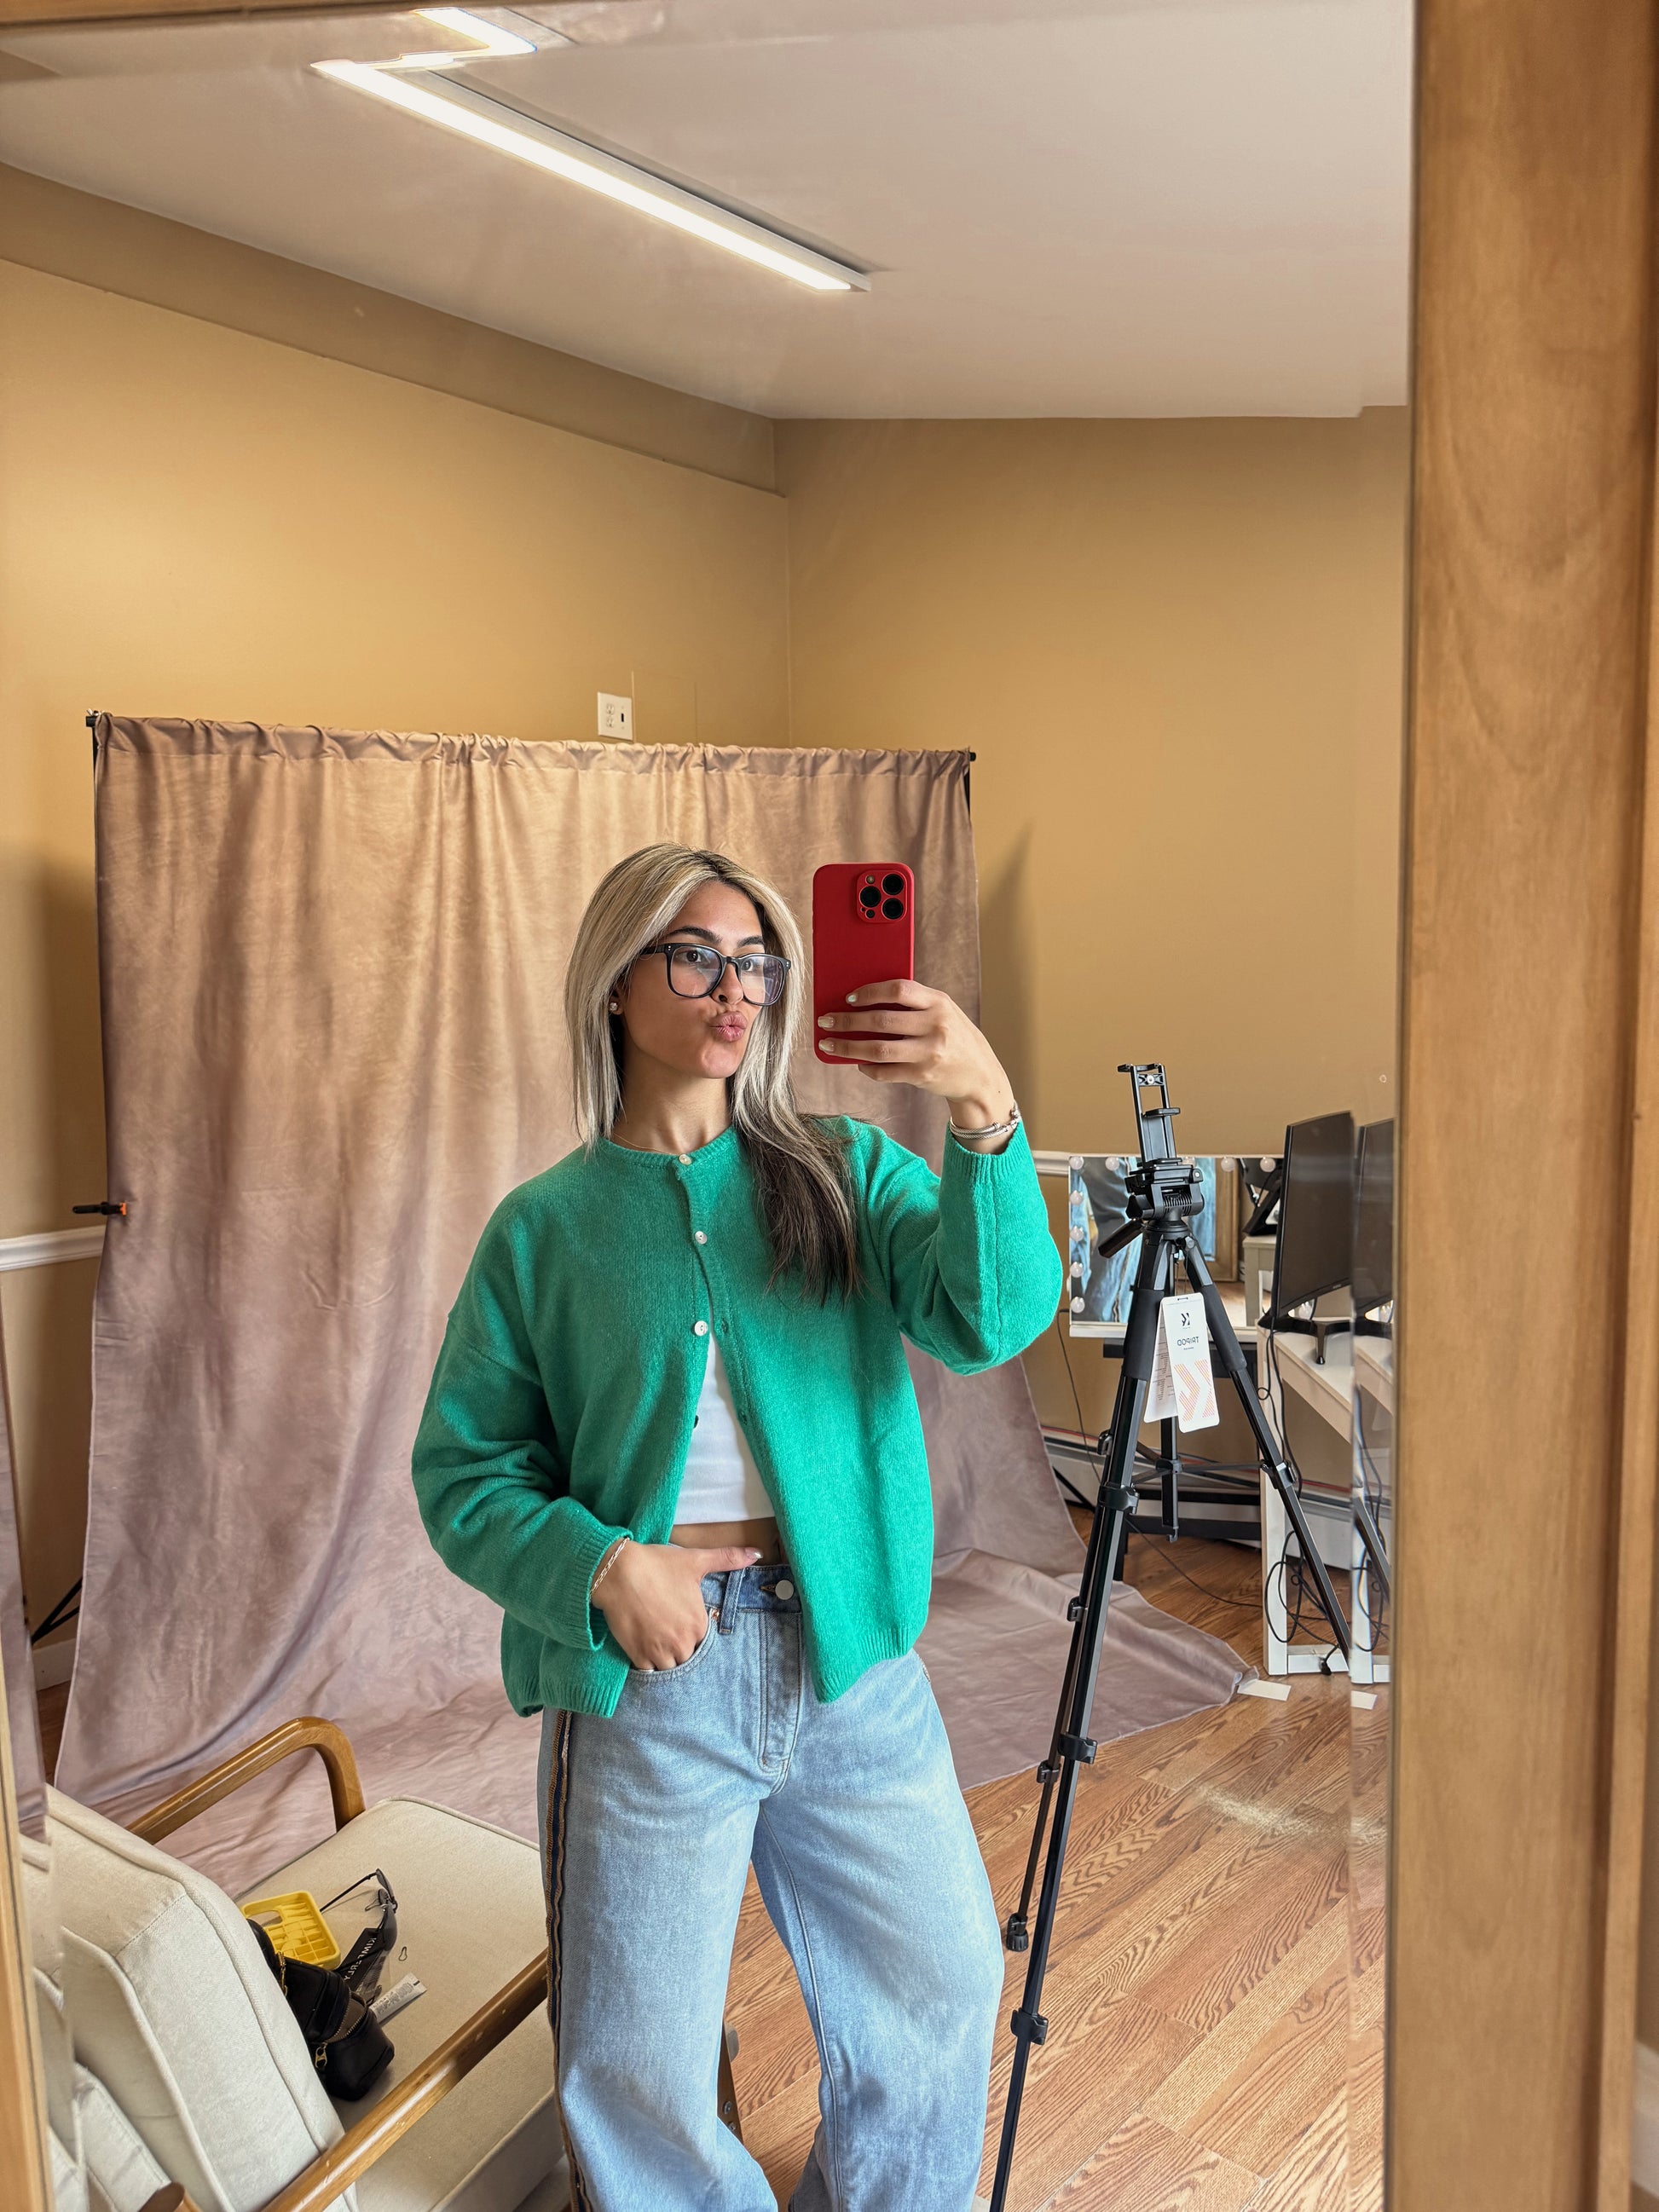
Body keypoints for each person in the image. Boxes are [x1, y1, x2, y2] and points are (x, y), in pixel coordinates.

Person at [411, 842, 1062, 2212]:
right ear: (616, 982)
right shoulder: (542, 1230)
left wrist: (984, 1108)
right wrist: (603, 1567)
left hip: (853, 1665)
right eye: (698, 955)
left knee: (938, 1986)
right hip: (652, 1679)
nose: (736, 989)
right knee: (634, 2064)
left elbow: (988, 1318)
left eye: (757, 961)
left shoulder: (844, 1167)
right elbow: (464, 1475)